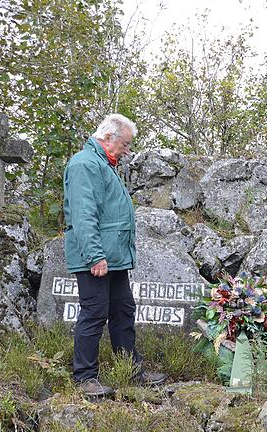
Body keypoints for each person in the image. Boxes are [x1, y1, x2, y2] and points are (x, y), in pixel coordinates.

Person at [63, 114, 166, 397]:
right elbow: (83, 215)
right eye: (125, 144)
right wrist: (95, 255)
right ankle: (85, 378)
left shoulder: (104, 165)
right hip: (97, 259)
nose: (127, 151)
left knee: (123, 310)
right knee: (94, 313)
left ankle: (130, 371)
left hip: (114, 258)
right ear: (108, 138)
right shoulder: (85, 164)